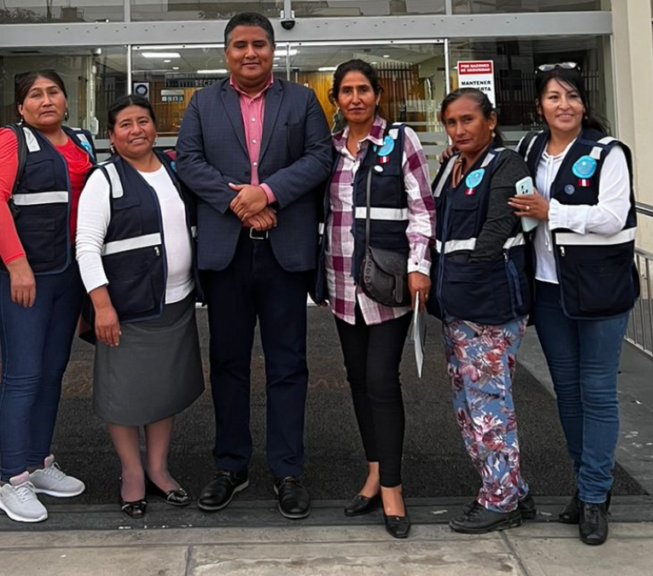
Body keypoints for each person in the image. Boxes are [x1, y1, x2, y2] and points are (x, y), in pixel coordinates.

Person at [175, 12, 332, 519]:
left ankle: (288, 471)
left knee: (288, 364)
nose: (250, 53)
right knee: (228, 363)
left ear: (272, 50)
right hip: (228, 252)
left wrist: (266, 193)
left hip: (284, 252)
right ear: (226, 53)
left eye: (259, 44)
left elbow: (318, 158)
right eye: (240, 45)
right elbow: (190, 161)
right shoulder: (202, 103)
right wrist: (238, 202)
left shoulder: (303, 100)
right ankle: (231, 466)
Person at [508, 63, 637, 546]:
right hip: (547, 289)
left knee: (598, 391)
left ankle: (596, 496)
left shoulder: (607, 152)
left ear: (585, 104)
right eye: (553, 97)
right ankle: (586, 487)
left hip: (600, 289)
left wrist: (552, 211)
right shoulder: (531, 149)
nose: (564, 105)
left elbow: (613, 215)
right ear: (539, 106)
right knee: (567, 393)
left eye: (572, 97)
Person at [313, 59, 434, 539]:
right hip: (342, 283)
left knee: (382, 380)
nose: (355, 98)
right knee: (358, 380)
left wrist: (419, 267)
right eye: (346, 91)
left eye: (364, 89)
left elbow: (423, 210)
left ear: (377, 95)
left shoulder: (402, 142)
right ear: (337, 99)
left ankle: (393, 487)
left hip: (387, 283)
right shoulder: (330, 149)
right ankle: (374, 470)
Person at [75, 95, 204, 519]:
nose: (136, 130)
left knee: (164, 390)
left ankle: (158, 468)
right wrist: (102, 305)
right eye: (125, 124)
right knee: (125, 396)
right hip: (126, 309)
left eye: (143, 121)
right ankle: (132, 472)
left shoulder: (173, 170)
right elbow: (87, 247)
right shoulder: (104, 180)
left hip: (177, 302)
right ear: (111, 137)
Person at [0, 69, 97, 523]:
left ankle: (38, 461)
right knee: (23, 375)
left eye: (53, 92)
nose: (46, 100)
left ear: (67, 100)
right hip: (24, 278)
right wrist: (16, 264)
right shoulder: (10, 141)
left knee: (52, 373)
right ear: (21, 107)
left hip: (68, 275)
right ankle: (12, 479)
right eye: (35, 94)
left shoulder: (82, 142)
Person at [429, 88, 535, 535]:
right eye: (452, 122)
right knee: (467, 407)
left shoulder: (506, 165)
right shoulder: (453, 167)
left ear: (490, 121)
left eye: (468, 120)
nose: (460, 130)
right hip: (456, 307)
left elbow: (496, 232)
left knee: (490, 405)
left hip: (488, 305)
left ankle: (501, 500)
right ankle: (513, 491)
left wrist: (461, 275)